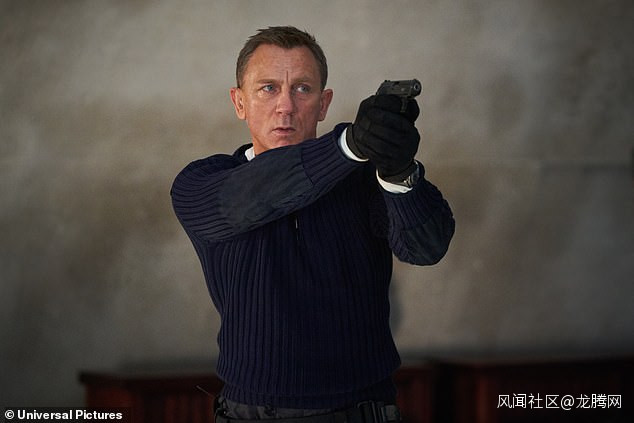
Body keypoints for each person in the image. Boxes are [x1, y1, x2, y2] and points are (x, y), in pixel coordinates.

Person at [171, 26, 455, 422]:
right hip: (248, 414)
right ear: (239, 102)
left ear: (324, 104)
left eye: (302, 89)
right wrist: (349, 144)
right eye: (268, 89)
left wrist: (398, 171)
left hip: (360, 412)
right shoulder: (202, 183)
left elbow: (427, 248)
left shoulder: (364, 179)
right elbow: (252, 195)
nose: (285, 106)